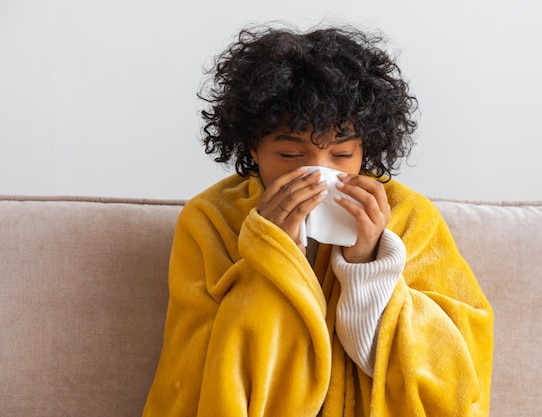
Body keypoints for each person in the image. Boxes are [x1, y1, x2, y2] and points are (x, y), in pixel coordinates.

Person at [143, 23, 493, 417]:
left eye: (341, 156)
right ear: (253, 148)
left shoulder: (409, 217)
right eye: (291, 156)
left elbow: (455, 363)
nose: (315, 174)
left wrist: (369, 264)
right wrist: (275, 251)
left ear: (367, 149)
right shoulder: (211, 218)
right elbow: (195, 368)